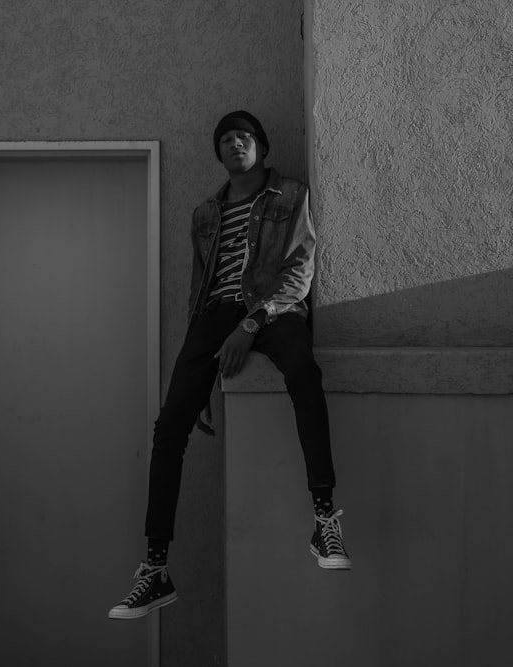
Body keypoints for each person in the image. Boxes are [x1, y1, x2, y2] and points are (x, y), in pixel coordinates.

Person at [108, 110, 351, 621]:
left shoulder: (291, 194)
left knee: (304, 373)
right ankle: (155, 569)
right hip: (215, 315)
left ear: (261, 146)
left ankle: (325, 518)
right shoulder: (205, 214)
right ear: (219, 153)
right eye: (226, 140)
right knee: (170, 424)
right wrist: (198, 375)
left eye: (244, 137)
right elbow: (201, 288)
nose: (235, 144)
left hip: (275, 308)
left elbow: (299, 268)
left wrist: (252, 323)